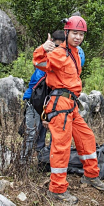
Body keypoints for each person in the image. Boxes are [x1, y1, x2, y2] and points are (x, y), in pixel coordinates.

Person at [33, 16, 104, 204]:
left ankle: (91, 175)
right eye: (75, 33)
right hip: (60, 105)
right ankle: (57, 190)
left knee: (86, 137)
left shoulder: (74, 53)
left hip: (71, 105)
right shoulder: (59, 53)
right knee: (61, 146)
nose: (78, 37)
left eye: (81, 34)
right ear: (66, 33)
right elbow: (39, 62)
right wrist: (44, 48)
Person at [20, 30, 65, 160]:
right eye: (56, 46)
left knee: (45, 133)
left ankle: (43, 160)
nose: (58, 50)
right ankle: (24, 163)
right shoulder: (45, 61)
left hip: (48, 104)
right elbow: (39, 82)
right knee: (31, 134)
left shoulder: (62, 60)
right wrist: (44, 49)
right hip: (35, 102)